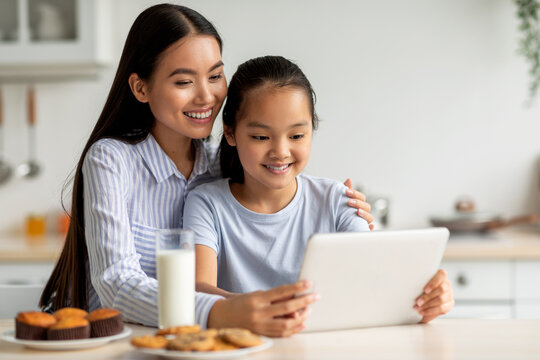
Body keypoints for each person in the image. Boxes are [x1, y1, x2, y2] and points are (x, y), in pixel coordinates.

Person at [38, 3, 373, 337]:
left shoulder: (225, 162)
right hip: (115, 343)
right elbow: (117, 284)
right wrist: (223, 310)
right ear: (141, 87)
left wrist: (347, 211)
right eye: (184, 81)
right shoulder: (112, 159)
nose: (207, 96)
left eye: (215, 76)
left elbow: (287, 184)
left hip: (189, 344)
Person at [185, 56, 455, 332]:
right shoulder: (207, 203)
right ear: (230, 133)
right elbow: (198, 289)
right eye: (261, 137)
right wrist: (260, 309)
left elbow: (375, 285)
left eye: (297, 136)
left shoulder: (338, 200)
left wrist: (428, 298)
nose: (281, 151)